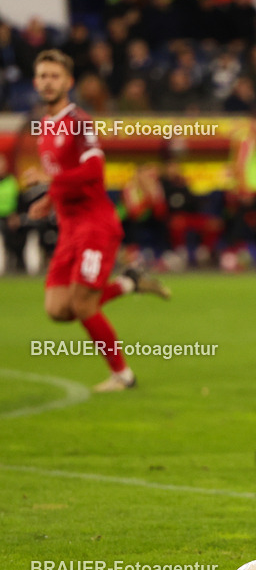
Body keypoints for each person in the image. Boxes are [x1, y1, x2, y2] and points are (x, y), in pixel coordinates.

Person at [23, 50, 169, 392]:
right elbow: (65, 175)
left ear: (68, 82)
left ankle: (123, 375)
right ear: (35, 81)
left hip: (94, 225)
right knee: (58, 309)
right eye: (42, 76)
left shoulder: (79, 122)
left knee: (84, 305)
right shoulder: (45, 124)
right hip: (69, 227)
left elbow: (94, 169)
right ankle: (129, 283)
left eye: (54, 76)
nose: (47, 82)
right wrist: (49, 200)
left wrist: (48, 181)